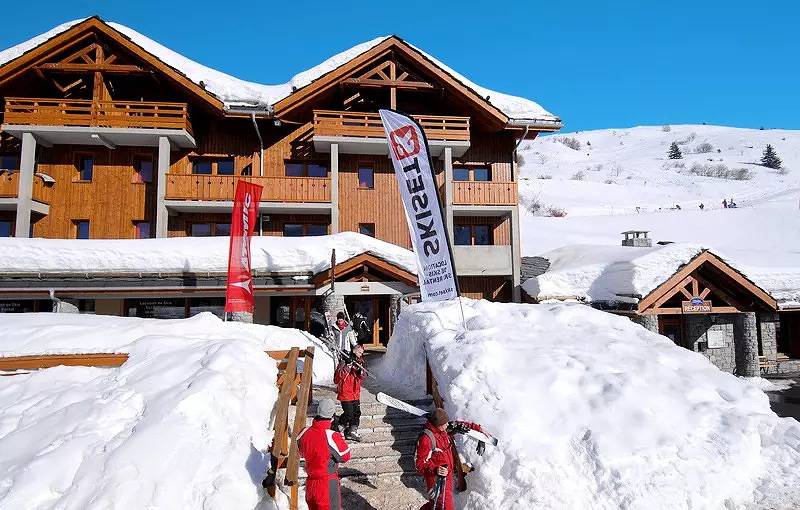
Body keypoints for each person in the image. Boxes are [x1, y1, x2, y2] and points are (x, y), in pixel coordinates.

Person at [414, 408, 485, 510]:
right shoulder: (426, 439)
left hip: (448, 476)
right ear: (438, 424)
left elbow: (460, 425)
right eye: (445, 423)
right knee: (445, 507)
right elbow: (419, 465)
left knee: (435, 506)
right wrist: (435, 469)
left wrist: (478, 429)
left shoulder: (443, 429)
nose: (448, 425)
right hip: (436, 481)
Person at [297, 398, 351, 510]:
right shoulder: (331, 436)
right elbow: (346, 455)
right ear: (332, 416)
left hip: (311, 483)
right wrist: (338, 435)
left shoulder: (304, 432)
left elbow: (301, 451)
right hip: (327, 483)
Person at [334, 344, 366, 441]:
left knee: (357, 413)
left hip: (355, 392)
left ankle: (352, 431)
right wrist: (347, 366)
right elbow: (337, 379)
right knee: (349, 413)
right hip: (346, 392)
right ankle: (339, 426)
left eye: (362, 353)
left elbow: (363, 376)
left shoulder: (359, 362)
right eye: (359, 352)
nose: (361, 354)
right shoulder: (344, 362)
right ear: (354, 350)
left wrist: (361, 373)